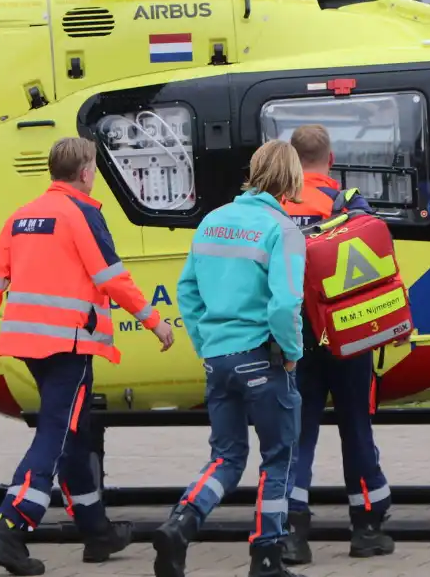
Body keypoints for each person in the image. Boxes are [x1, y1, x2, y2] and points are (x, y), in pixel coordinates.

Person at [0, 136, 175, 576]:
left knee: (73, 433)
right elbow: (111, 277)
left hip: (28, 345)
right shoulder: (82, 214)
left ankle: (96, 531)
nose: (94, 176)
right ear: (84, 173)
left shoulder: (20, 218)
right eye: (94, 168)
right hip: (68, 344)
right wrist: (155, 321)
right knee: (57, 435)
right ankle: (10, 529)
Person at [152, 140, 308, 577]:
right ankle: (266, 557)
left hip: (218, 360)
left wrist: (207, 345)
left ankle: (181, 524)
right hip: (263, 358)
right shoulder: (284, 230)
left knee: (226, 457)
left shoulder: (212, 222)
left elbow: (187, 290)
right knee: (279, 457)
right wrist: (292, 354)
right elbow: (283, 305)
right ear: (291, 179)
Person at [278, 124, 395, 565]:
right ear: (330, 160)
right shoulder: (347, 203)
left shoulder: (274, 206)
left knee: (296, 433)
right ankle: (367, 528)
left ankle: (291, 532)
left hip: (294, 337)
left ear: (290, 160)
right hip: (347, 334)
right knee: (356, 427)